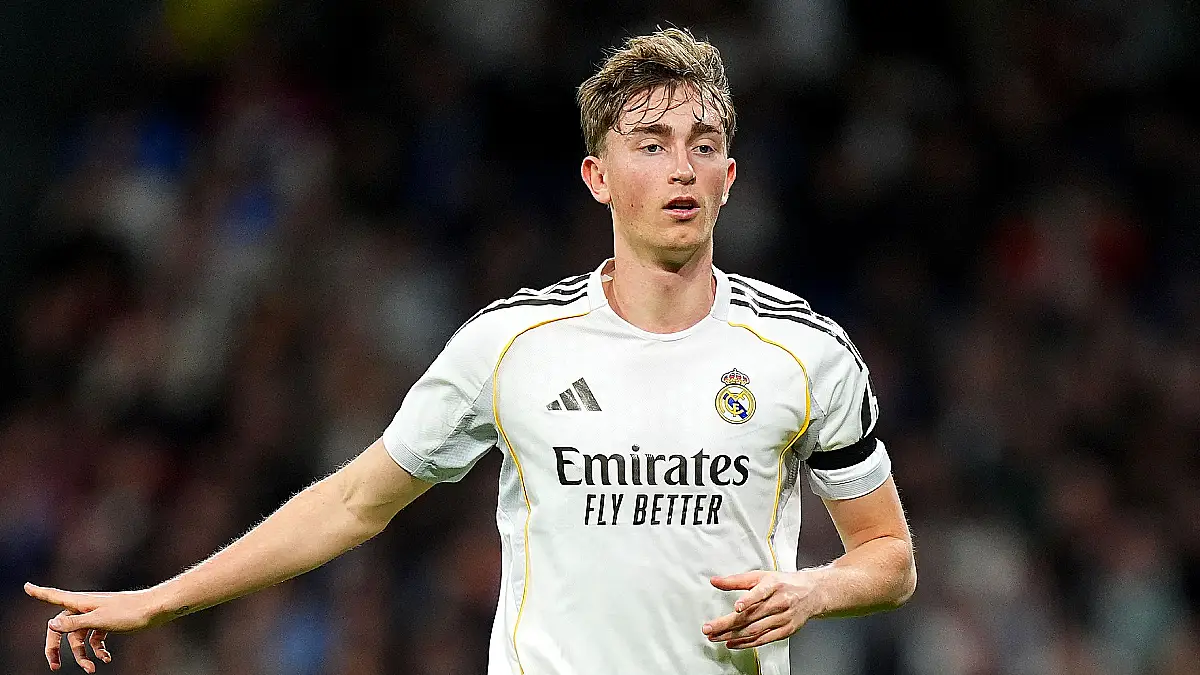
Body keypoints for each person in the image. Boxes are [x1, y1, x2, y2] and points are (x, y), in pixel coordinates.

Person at [25, 27, 915, 675]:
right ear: (598, 177)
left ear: (729, 178)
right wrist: (162, 597)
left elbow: (890, 556)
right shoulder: (509, 344)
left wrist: (815, 590)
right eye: (651, 145)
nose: (681, 167)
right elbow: (352, 502)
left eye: (703, 146)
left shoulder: (805, 352)